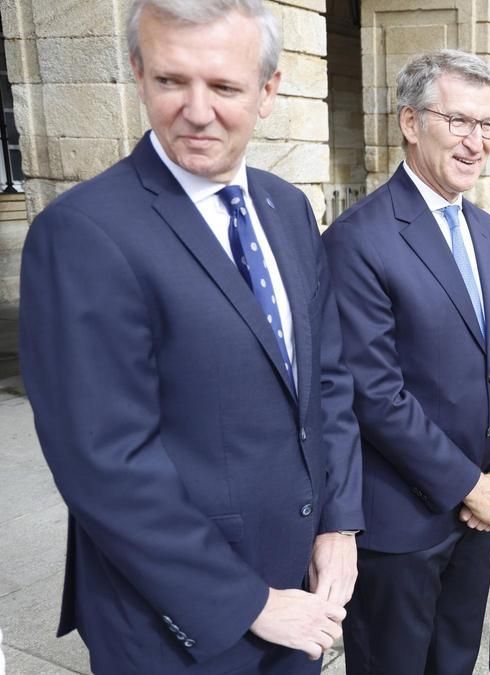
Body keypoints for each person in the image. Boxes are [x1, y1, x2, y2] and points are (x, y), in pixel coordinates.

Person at [18, 1, 364, 671]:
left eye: (225, 86)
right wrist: (250, 601)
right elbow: (105, 463)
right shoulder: (82, 233)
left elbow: (326, 378)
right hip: (174, 619)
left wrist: (339, 521)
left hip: (301, 587)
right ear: (138, 73)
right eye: (172, 81)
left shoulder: (287, 207)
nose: (197, 110)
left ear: (268, 91)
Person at [323, 49, 490, 674]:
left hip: (480, 510)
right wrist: (471, 485)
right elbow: (374, 394)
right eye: (459, 121)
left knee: (455, 660)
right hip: (402, 522)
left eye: (488, 125)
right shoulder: (358, 240)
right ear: (410, 123)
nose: (477, 142)